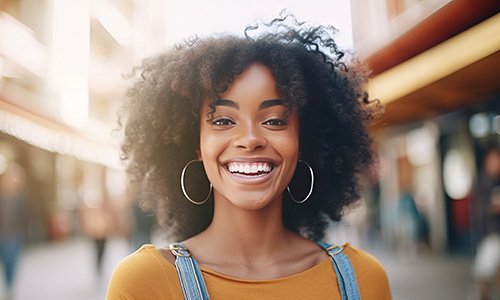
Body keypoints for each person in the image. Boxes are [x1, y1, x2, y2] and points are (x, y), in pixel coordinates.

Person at [107, 14, 391, 300]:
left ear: (303, 141)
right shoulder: (145, 282)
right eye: (222, 121)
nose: (250, 139)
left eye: (275, 121)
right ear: (195, 145)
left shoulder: (363, 278)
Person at [0, 162, 28, 299]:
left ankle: (9, 286)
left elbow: (26, 217)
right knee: (4, 261)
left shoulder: (21, 199)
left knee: (12, 262)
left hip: (15, 236)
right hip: (2, 235)